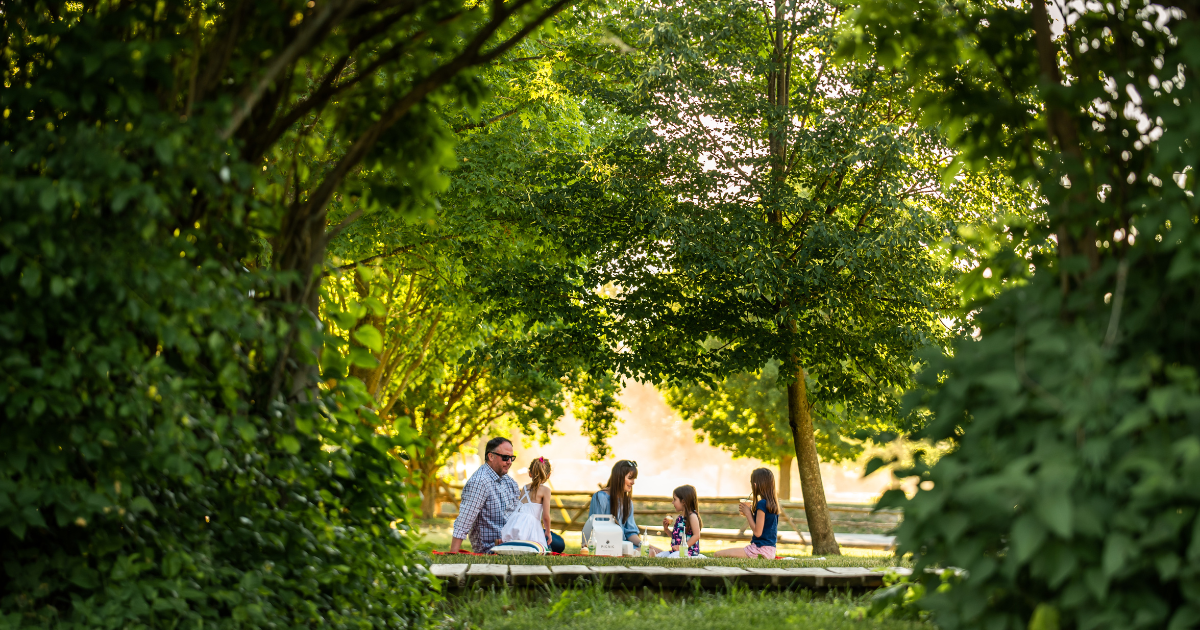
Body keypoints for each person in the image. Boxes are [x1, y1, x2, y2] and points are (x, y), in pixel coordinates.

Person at [449, 437, 519, 554]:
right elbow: (463, 522)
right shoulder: (479, 482)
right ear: (491, 456)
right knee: (554, 543)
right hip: (494, 548)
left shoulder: (509, 482)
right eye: (505, 457)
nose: (510, 462)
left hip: (515, 539)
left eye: (512, 458)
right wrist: (453, 553)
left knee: (554, 541)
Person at [714, 467, 780, 559]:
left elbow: (757, 533)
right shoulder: (772, 504)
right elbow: (762, 527)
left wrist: (748, 513)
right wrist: (750, 514)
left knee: (717, 554)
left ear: (756, 485)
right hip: (769, 551)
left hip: (760, 550)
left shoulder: (762, 504)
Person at [582, 460, 642, 551]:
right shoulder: (601, 497)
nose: (633, 482)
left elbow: (630, 533)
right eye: (630, 478)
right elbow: (597, 530)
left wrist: (644, 545)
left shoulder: (627, 502)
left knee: (653, 551)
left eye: (634, 479)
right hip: (606, 546)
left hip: (624, 546)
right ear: (619, 477)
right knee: (644, 553)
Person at [500, 457, 557, 549]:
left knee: (514, 546)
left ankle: (505, 543)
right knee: (537, 547)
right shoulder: (545, 490)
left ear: (530, 473)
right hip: (529, 525)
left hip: (515, 522)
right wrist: (548, 531)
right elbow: (546, 516)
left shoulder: (525, 488)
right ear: (549, 475)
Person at [646, 484, 703, 558]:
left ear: (683, 502)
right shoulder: (680, 517)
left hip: (688, 552)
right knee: (658, 556)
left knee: (670, 558)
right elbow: (676, 537)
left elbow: (696, 535)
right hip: (676, 552)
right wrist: (666, 530)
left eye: (675, 499)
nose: (672, 502)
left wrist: (682, 547)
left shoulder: (692, 516)